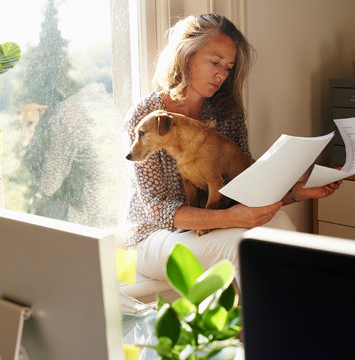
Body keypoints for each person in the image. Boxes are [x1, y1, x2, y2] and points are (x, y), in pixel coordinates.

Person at [123, 14, 341, 283]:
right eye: (215, 62)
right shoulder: (146, 116)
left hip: (214, 223)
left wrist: (296, 192)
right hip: (156, 236)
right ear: (186, 55)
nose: (221, 74)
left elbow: (246, 187)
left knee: (282, 226)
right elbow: (157, 207)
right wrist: (226, 218)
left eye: (228, 67)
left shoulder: (227, 113)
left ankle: (285, 322)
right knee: (243, 246)